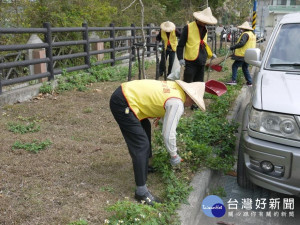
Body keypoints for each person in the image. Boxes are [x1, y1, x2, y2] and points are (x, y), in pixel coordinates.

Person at [109, 79, 205, 205]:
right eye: (194, 103)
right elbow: (168, 134)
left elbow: (158, 102)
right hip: (123, 102)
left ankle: (144, 165)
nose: (191, 106)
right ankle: (141, 192)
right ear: (190, 98)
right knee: (141, 144)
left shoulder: (175, 88)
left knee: (145, 128)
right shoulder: (177, 103)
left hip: (125, 92)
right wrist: (174, 155)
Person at [176, 7, 217, 83]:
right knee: (188, 83)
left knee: (199, 83)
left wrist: (210, 54)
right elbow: (180, 45)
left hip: (201, 61)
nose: (205, 23)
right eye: (204, 21)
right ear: (199, 19)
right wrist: (180, 58)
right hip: (190, 61)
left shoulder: (205, 29)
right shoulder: (188, 28)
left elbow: (204, 44)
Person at [226, 21, 256, 86]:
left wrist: (232, 47)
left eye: (242, 28)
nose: (241, 30)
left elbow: (242, 43)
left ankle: (233, 80)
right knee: (245, 67)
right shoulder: (252, 34)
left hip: (243, 54)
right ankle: (249, 82)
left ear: (244, 28)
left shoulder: (245, 34)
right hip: (249, 54)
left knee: (235, 66)